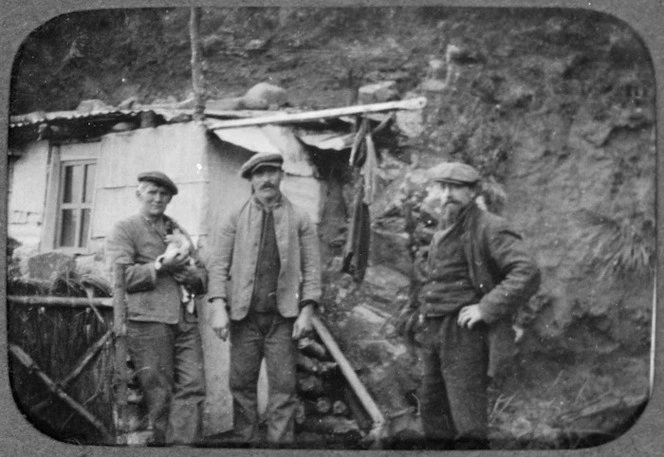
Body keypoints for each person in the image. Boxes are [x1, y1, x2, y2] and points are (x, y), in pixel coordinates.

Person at [398, 162, 540, 450]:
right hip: (434, 330)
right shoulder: (443, 225)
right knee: (432, 408)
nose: (447, 194)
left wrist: (485, 309)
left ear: (472, 191)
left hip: (463, 333)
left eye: (455, 188)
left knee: (467, 419)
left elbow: (527, 272)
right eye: (442, 187)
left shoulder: (490, 227)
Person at [207, 152, 321, 445]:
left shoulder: (300, 218)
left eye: (272, 172)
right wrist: (218, 306)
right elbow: (218, 265)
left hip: (283, 320)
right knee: (241, 386)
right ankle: (246, 444)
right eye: (259, 174)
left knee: (283, 389)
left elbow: (312, 268)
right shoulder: (235, 217)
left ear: (282, 176)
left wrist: (307, 309)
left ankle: (278, 447)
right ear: (251, 179)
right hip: (244, 319)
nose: (266, 179)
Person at [106, 171, 208, 446]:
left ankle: (183, 448)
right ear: (138, 194)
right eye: (152, 192)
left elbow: (202, 276)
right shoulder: (125, 229)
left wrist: (190, 276)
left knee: (194, 385)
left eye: (164, 194)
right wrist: (160, 267)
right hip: (149, 321)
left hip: (185, 320)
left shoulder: (176, 229)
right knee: (159, 392)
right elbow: (121, 278)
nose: (158, 198)